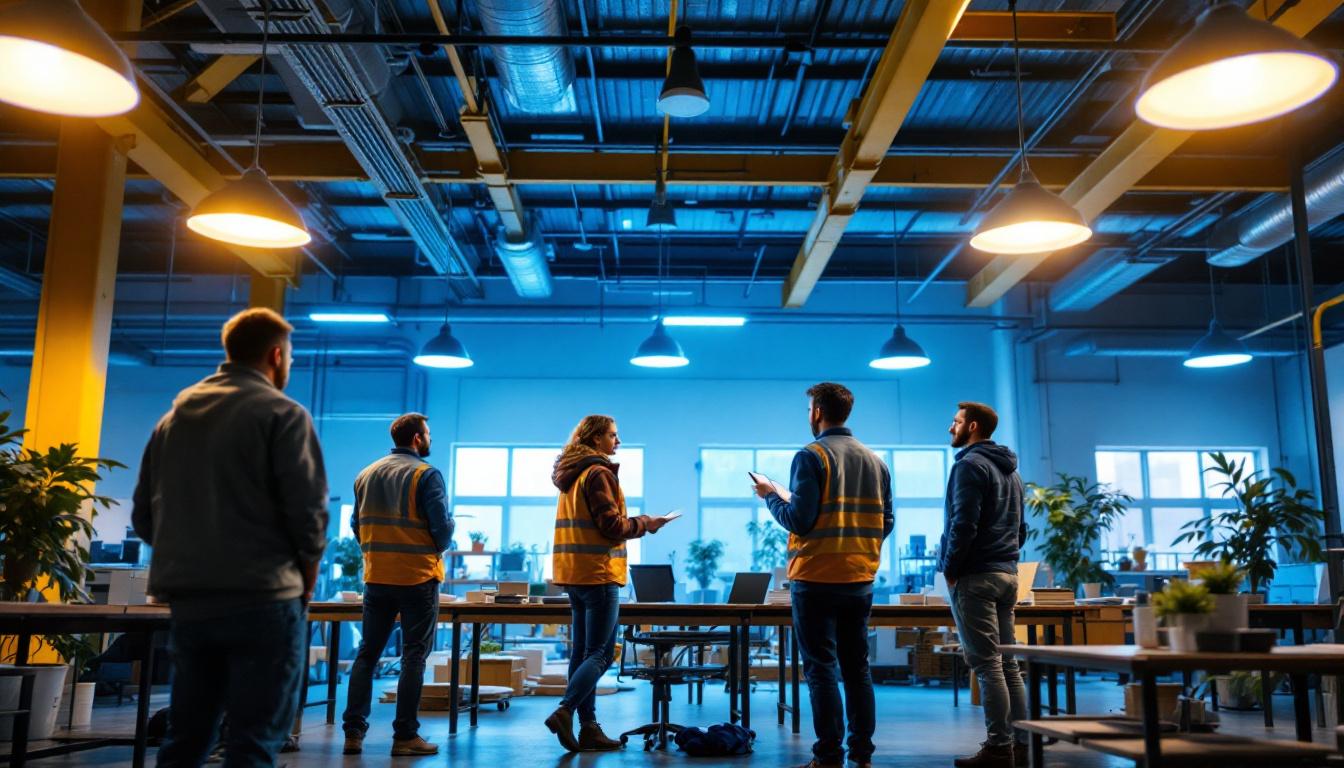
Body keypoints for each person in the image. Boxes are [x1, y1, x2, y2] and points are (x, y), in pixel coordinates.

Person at [131, 308, 328, 767]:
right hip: (264, 598)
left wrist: (192, 553)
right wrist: (306, 581)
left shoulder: (173, 419)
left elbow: (144, 516)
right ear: (276, 355)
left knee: (186, 738)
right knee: (252, 741)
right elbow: (309, 516)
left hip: (191, 602)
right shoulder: (283, 413)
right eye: (290, 356)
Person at [754, 382, 892, 768]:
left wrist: (770, 495)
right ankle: (862, 755)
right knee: (857, 669)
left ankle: (828, 755)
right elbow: (888, 520)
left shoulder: (811, 456)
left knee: (821, 670)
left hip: (815, 579)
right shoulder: (875, 461)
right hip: (859, 579)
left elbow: (799, 519)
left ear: (816, 412)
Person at [543, 415, 669, 752]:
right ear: (596, 437)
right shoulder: (598, 472)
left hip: (574, 573)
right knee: (601, 654)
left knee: (582, 652)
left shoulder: (572, 474)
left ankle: (589, 728)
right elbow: (612, 526)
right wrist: (646, 523)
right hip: (598, 574)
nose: (618, 441)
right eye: (613, 435)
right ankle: (565, 711)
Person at [342, 413, 453, 757]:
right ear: (418, 439)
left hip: (377, 577)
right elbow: (442, 529)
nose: (430, 439)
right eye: (429, 434)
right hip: (417, 577)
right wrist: (437, 543)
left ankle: (353, 733)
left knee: (367, 655)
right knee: (413, 656)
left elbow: (356, 524)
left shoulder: (366, 474)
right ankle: (405, 736)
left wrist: (377, 551)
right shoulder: (425, 474)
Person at [940, 402, 1029, 768]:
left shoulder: (969, 465)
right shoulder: (1013, 472)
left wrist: (950, 568)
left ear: (972, 426)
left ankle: (998, 747)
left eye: (956, 422)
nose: (951, 428)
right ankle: (1022, 743)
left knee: (987, 665)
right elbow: (1021, 529)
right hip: (1008, 574)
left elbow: (964, 524)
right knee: (1008, 664)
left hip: (976, 575)